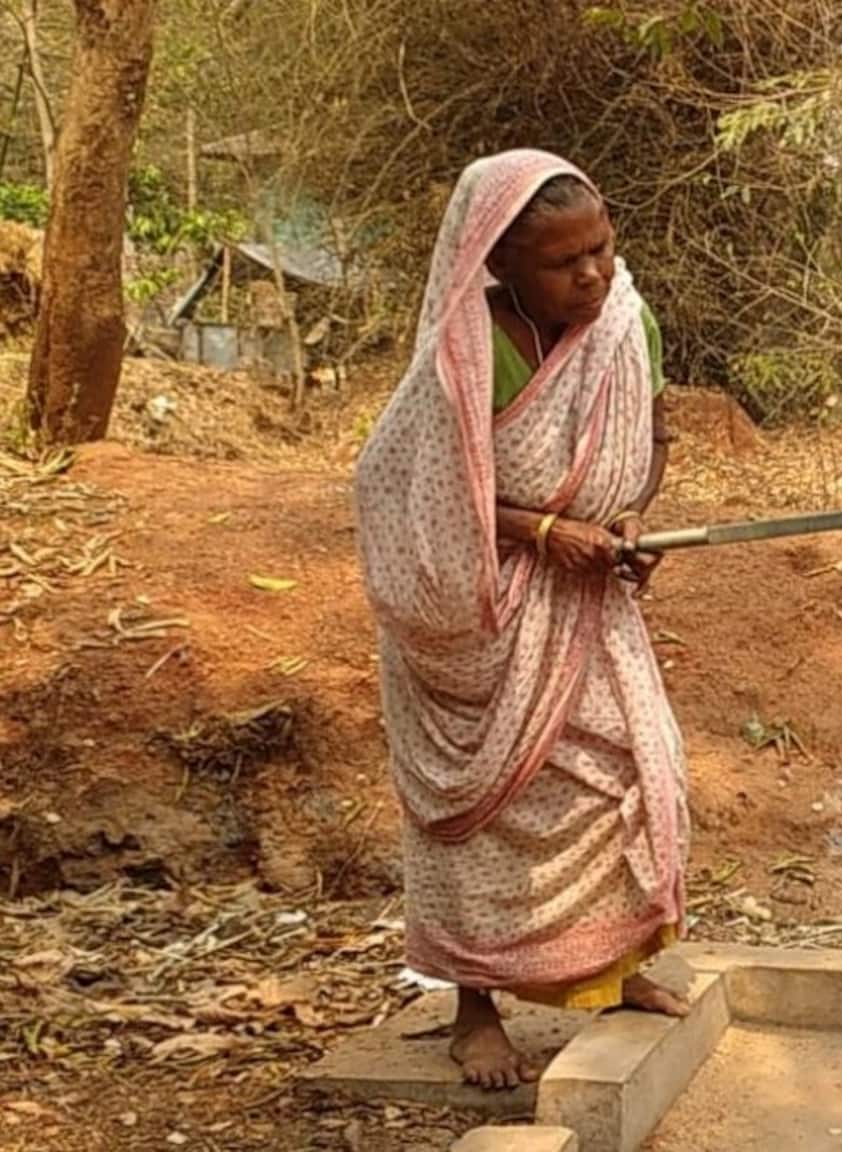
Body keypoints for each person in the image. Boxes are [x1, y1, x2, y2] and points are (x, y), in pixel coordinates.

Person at [353, 149, 689, 1090]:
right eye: (564, 261)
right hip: (482, 617)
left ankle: (612, 971)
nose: (593, 273)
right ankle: (473, 1008)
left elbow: (649, 441)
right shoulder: (466, 349)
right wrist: (544, 531)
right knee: (481, 816)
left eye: (603, 248)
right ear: (500, 265)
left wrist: (626, 518)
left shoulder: (628, 323)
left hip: (591, 605)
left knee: (631, 765)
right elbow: (414, 490)